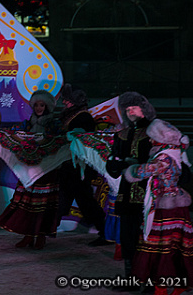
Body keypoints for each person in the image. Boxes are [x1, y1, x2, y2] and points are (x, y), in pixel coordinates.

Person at [125, 119, 192, 295]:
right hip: (176, 203)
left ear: (161, 139)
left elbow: (143, 172)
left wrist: (130, 168)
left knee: (161, 247)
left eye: (152, 137)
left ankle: (160, 287)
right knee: (174, 246)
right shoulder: (175, 151)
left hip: (165, 206)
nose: (149, 140)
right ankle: (177, 284)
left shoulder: (163, 157)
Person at [0, 89, 61, 250]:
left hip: (47, 169)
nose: (39, 108)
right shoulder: (28, 123)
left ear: (47, 106)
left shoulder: (54, 124)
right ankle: (29, 235)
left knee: (43, 204)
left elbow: (58, 142)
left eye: (42, 105)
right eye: (36, 105)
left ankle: (41, 235)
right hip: (29, 167)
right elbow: (15, 135)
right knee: (28, 202)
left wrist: (44, 142)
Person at [106, 92, 155, 291]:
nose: (130, 111)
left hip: (149, 194)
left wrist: (138, 165)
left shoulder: (155, 131)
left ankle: (150, 282)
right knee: (128, 237)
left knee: (148, 239)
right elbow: (112, 164)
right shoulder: (122, 134)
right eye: (127, 109)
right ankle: (131, 280)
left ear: (144, 109)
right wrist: (119, 164)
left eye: (133, 107)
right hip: (126, 194)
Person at [57, 84, 109, 246]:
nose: (64, 102)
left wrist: (67, 137)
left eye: (67, 100)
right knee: (66, 199)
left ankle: (105, 232)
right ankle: (47, 228)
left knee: (85, 201)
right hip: (69, 166)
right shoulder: (72, 115)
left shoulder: (83, 117)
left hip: (79, 168)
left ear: (75, 101)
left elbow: (84, 141)